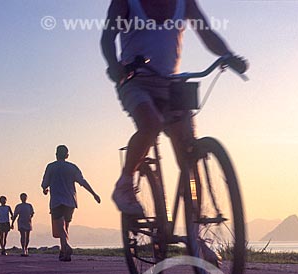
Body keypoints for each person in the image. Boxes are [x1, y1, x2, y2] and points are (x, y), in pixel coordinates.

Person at [101, 0, 247, 216]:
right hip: (135, 80)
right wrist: (114, 66)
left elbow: (206, 33)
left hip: (171, 83)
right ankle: (125, 183)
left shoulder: (185, 2)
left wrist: (228, 55)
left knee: (189, 155)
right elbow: (107, 38)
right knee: (151, 124)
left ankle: (196, 234)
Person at [41, 145, 101, 262]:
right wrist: (94, 194)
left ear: (56, 154)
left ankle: (66, 248)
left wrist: (45, 189)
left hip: (56, 201)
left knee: (60, 228)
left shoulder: (51, 167)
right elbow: (82, 182)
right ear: (67, 155)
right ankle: (64, 253)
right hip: (70, 201)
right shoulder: (72, 167)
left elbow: (44, 184)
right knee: (65, 227)